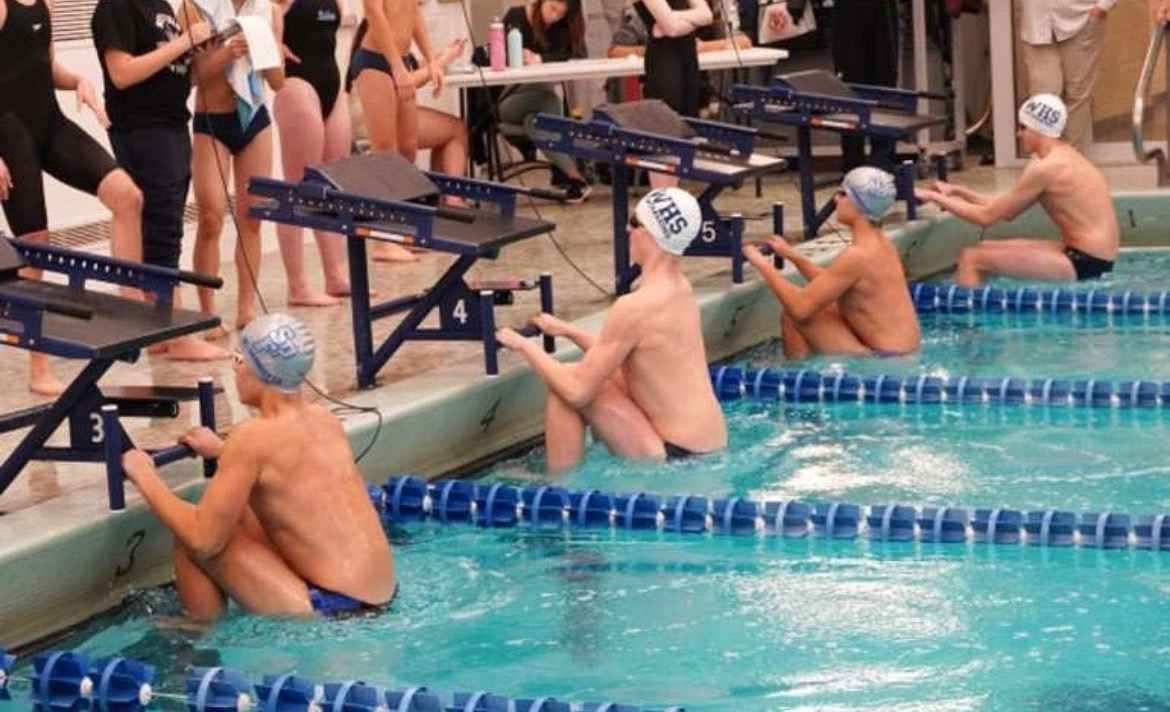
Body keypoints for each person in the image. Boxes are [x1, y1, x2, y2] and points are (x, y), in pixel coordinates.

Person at [121, 313, 397, 619]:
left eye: (239, 359)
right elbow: (288, 474)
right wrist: (222, 451)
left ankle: (199, 640)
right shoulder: (325, 420)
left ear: (260, 372)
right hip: (382, 596)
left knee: (191, 537)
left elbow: (203, 539)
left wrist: (144, 475)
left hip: (332, 610)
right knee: (245, 509)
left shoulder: (251, 437)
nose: (234, 368)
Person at [497, 188, 727, 472]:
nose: (626, 228)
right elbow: (637, 362)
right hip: (711, 445)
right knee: (579, 376)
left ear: (651, 233)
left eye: (633, 221)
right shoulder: (680, 288)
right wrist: (571, 332)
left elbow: (577, 391)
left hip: (674, 457)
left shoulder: (635, 306)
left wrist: (522, 345)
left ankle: (560, 493)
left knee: (565, 383)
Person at [0, 0, 145, 395]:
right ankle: (38, 366)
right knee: (35, 248)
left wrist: (78, 79)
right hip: (9, 133)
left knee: (127, 196)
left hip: (49, 125)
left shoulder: (42, 5)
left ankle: (133, 314)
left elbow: (42, 69)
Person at [91, 0, 230, 362]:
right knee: (164, 228)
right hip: (142, 128)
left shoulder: (162, 6)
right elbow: (121, 73)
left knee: (164, 228)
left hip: (170, 124)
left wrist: (206, 53)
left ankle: (160, 328)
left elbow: (181, 74)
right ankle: (176, 334)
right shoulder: (117, 8)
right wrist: (182, 42)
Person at [915, 94, 1119, 286]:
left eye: (1023, 127)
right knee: (983, 249)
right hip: (1092, 254)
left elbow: (985, 217)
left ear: (1038, 129)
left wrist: (933, 197)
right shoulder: (1065, 155)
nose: (1018, 134)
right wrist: (957, 191)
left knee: (971, 257)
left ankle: (968, 322)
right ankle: (986, 308)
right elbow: (1003, 208)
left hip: (1085, 261)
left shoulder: (1046, 168)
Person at [180, 0, 285, 335]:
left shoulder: (269, 11)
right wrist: (227, 52)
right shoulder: (195, 8)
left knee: (252, 215)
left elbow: (279, 81)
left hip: (254, 116)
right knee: (210, 216)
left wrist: (263, 48)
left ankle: (246, 308)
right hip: (213, 120)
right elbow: (191, 77)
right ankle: (209, 312)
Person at [744, 167, 921, 358]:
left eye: (843, 194)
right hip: (905, 353)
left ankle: (796, 378)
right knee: (817, 306)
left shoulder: (858, 254)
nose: (836, 199)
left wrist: (762, 265)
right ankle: (800, 374)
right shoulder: (883, 244)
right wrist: (793, 256)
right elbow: (835, 282)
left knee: (795, 315)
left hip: (882, 363)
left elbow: (800, 309)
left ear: (860, 205)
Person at [349, 0, 442, 262]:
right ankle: (382, 240)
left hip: (401, 60)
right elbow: (374, 12)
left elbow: (413, 13)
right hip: (376, 62)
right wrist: (396, 66)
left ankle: (401, 230)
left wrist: (432, 58)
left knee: (407, 149)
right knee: (385, 153)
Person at [273, 0, 352, 307]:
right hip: (297, 85)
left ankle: (335, 275)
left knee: (333, 185)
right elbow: (252, 21)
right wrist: (273, 45)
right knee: (296, 187)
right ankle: (298, 285)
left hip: (331, 83)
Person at [499, 0, 591, 203]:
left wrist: (541, 59)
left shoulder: (561, 26)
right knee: (549, 98)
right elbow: (497, 58)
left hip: (541, 104)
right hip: (509, 100)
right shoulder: (516, 18)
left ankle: (573, 178)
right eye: (552, 9)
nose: (554, 16)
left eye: (561, 14)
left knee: (536, 121)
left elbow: (577, 54)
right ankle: (574, 173)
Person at [630, 0, 712, 189]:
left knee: (682, 129)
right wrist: (691, 19)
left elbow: (707, 15)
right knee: (662, 131)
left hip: (688, 59)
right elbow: (672, 29)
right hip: (664, 61)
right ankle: (661, 194)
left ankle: (673, 192)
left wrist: (674, 16)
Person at [1017, 0, 1112, 152]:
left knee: (1078, 92)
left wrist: (1103, 6)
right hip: (1036, 20)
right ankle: (1045, 157)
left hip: (1083, 18)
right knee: (1044, 96)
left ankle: (1069, 157)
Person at [832, 0, 899, 171]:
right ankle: (853, 168)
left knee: (884, 87)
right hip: (848, 11)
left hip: (882, 10)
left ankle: (883, 167)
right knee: (849, 89)